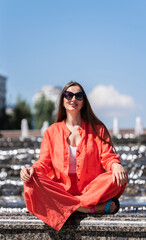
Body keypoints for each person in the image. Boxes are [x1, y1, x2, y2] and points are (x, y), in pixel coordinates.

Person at [20, 81, 128, 231]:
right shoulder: (51, 132)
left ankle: (66, 206)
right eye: (68, 95)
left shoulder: (97, 129)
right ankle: (85, 208)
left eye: (79, 96)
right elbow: (43, 163)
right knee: (31, 180)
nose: (73, 99)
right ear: (63, 101)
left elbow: (108, 156)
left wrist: (115, 165)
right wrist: (30, 170)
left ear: (84, 102)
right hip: (60, 189)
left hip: (90, 190)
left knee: (119, 178)